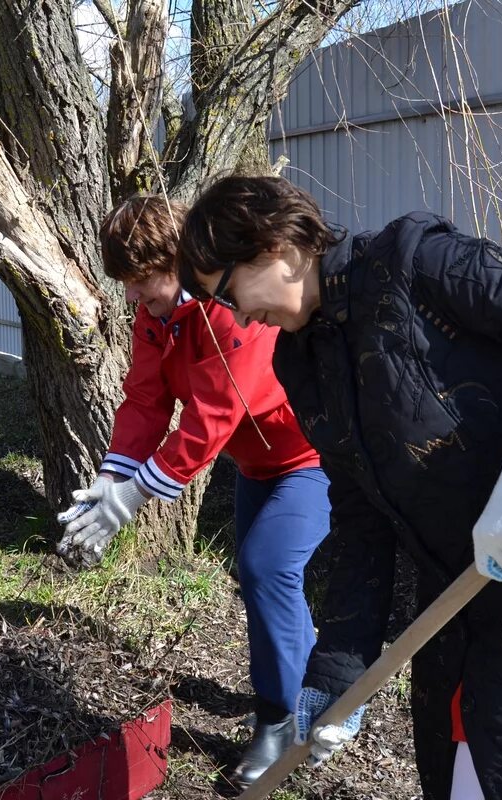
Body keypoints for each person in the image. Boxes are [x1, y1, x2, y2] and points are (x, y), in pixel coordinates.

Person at [177, 174, 502, 799]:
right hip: (458, 622)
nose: (239, 315)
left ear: (275, 242)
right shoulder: (298, 362)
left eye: (227, 292)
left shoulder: (415, 264)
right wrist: (335, 675)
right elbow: (360, 519)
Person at [58, 195, 331, 788]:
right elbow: (145, 399)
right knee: (262, 577)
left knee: (266, 569)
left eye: (141, 280)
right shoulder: (158, 315)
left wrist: (133, 499)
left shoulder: (228, 310)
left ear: (177, 261)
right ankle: (323, 693)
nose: (132, 295)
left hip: (309, 454)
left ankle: (280, 722)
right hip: (258, 466)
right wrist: (110, 479)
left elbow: (214, 414)